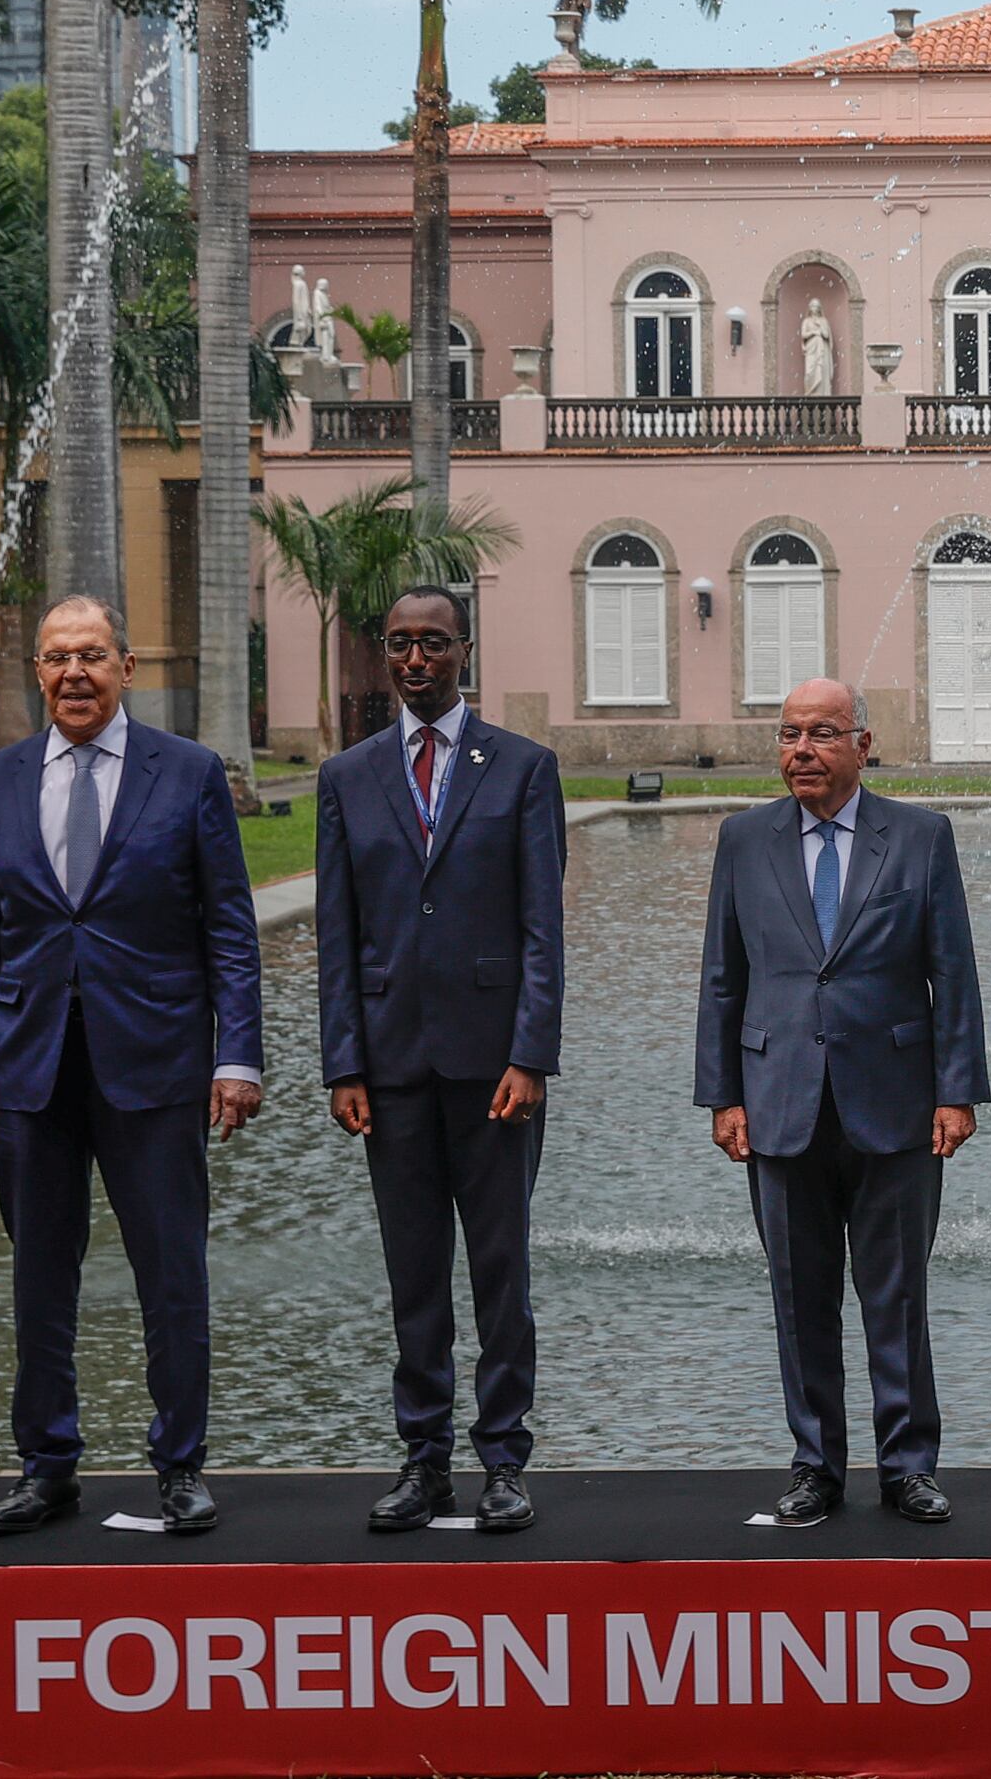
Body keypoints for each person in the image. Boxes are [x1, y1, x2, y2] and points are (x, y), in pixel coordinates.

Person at [0, 596, 264, 1537]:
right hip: (30, 1068)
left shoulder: (190, 773)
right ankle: (47, 1464)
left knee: (171, 1275)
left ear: (126, 667)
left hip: (156, 1063)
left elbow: (231, 929)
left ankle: (180, 1464)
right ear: (38, 673)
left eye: (91, 655)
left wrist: (237, 1055)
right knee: (40, 1278)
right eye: (57, 658)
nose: (74, 673)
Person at [696, 676, 988, 1527]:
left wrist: (957, 1091)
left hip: (895, 1104)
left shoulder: (920, 837)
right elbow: (722, 978)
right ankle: (815, 1466)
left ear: (863, 744)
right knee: (801, 1297)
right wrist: (722, 1095)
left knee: (897, 1297)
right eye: (790, 733)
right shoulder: (744, 839)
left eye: (822, 733)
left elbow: (953, 971)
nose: (802, 750)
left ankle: (908, 1467)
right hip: (778, 1102)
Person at [316, 583, 566, 1534]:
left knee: (501, 1272)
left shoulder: (523, 767)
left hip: (495, 1069)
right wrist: (344, 1064)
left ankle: (503, 1458)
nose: (415, 659)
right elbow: (337, 936)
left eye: (433, 642)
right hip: (390, 1070)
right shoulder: (348, 776)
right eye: (399, 643)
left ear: (465, 650)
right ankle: (422, 1458)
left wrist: (530, 1053)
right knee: (414, 1275)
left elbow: (542, 928)